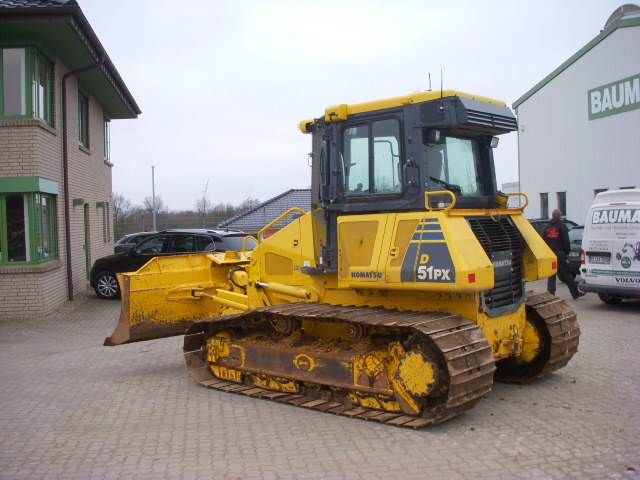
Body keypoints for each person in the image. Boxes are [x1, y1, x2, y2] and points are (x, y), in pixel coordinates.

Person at [543, 209, 584, 299]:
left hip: (550, 254)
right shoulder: (562, 226)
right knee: (567, 274)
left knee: (551, 274)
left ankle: (550, 294)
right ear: (560, 216)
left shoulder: (547, 227)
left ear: (553, 216)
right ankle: (575, 293)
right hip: (560, 254)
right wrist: (567, 253)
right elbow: (566, 241)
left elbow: (543, 241)